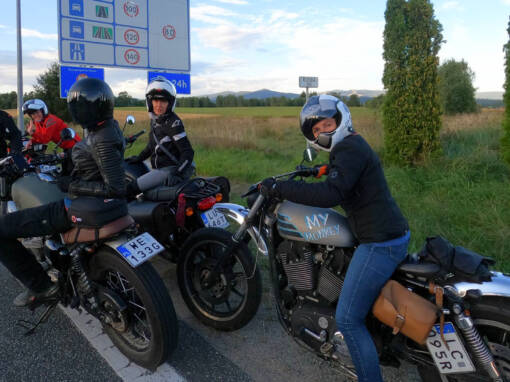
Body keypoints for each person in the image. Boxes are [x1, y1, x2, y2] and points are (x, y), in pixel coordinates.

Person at [259, 95, 409, 382]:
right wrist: (317, 170)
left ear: (341, 120)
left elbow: (332, 193)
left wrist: (282, 188)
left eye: (327, 124)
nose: (322, 132)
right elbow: (343, 176)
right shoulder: (350, 147)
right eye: (316, 130)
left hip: (380, 243)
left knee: (349, 320)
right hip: (387, 233)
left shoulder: (349, 148)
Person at [0, 78, 126, 307]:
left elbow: (114, 187)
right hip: (99, 202)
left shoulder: (99, 139)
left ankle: (42, 287)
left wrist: (67, 184)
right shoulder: (109, 128)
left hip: (82, 203)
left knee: (2, 229)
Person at [125, 76, 194, 196]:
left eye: (163, 101)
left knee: (130, 188)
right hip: (160, 169)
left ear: (170, 103)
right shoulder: (156, 120)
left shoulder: (173, 123)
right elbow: (152, 145)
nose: (159, 105)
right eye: (155, 101)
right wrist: (139, 158)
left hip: (168, 169)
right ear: (150, 102)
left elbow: (188, 152)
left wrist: (177, 173)